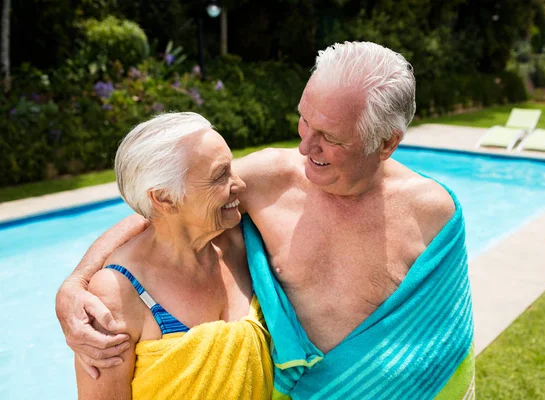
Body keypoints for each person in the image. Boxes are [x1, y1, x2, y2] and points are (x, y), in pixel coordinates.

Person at [57, 42, 474, 399]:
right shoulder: (269, 179)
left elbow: (443, 343)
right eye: (305, 120)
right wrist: (75, 285)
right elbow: (164, 215)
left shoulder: (431, 213)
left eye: (330, 137)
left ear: (385, 143)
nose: (306, 145)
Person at [73, 112, 273, 399]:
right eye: (220, 176)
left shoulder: (242, 242)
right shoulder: (117, 295)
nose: (240, 185)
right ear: (164, 198)